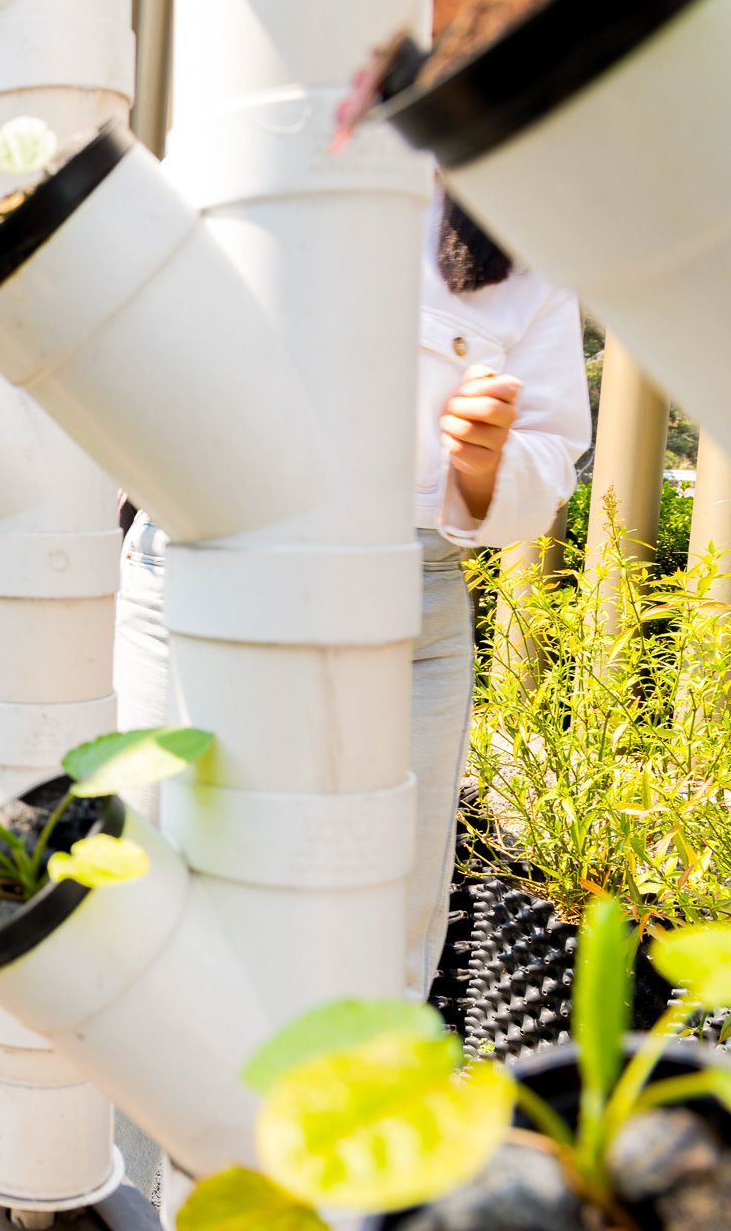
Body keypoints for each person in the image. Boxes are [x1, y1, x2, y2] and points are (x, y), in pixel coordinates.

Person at [112, 189, 592, 997]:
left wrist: (483, 466)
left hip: (403, 593)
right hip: (197, 563)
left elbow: (552, 451)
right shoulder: (225, 137)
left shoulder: (519, 223)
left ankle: (336, 1125)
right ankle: (157, 1127)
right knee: (158, 920)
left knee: (375, 933)